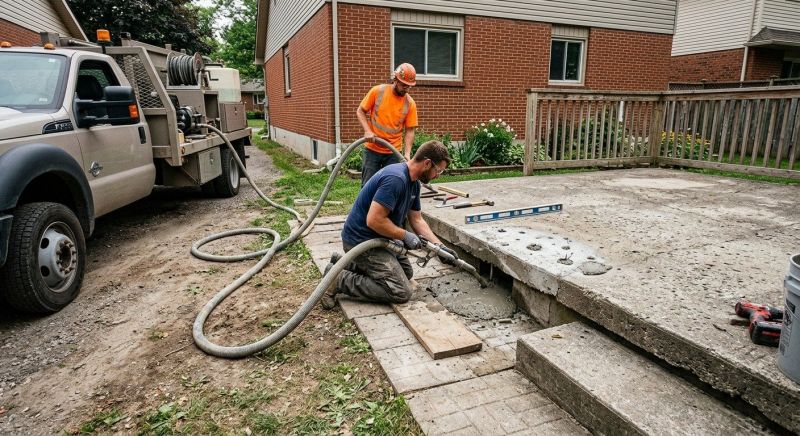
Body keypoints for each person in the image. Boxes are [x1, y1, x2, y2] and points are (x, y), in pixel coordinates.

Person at [320, 140, 457, 309]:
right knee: (400, 290)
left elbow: (416, 219)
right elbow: (374, 220)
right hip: (361, 241)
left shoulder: (414, 183)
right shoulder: (396, 179)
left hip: (379, 238)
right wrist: (404, 235)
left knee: (406, 272)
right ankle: (337, 279)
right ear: (427, 163)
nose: (438, 175)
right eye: (438, 170)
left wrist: (439, 247)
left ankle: (343, 263)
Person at [356, 63, 418, 186]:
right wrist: (367, 130)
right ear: (395, 80)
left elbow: (410, 130)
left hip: (393, 153)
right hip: (372, 149)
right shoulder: (378, 91)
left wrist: (407, 153)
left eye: (409, 86)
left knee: (391, 185)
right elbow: (360, 111)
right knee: (368, 185)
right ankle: (366, 205)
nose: (406, 88)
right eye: (403, 85)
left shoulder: (410, 103)